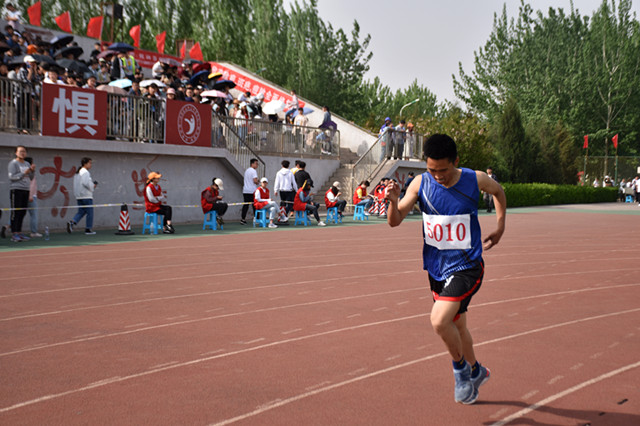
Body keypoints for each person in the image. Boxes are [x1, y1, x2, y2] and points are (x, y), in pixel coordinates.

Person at [385, 133, 506, 405]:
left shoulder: (474, 179)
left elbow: (499, 192)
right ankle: (477, 371)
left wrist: (500, 226)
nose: (437, 175)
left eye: (443, 169)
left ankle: (461, 370)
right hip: (437, 269)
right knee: (457, 326)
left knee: (439, 321)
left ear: (456, 162)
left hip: (467, 266)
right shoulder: (420, 183)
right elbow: (395, 221)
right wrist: (393, 201)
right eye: (431, 169)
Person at [7, 145, 34, 242]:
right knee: (16, 212)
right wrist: (23, 173)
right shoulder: (13, 163)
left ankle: (19, 232)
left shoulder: (27, 163)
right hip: (16, 190)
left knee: (23, 212)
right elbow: (12, 177)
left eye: (24, 151)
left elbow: (30, 177)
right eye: (20, 151)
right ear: (16, 153)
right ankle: (14, 234)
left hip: (25, 190)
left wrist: (32, 171)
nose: (23, 153)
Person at [67, 157, 98, 235]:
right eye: (90, 163)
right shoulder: (85, 172)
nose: (91, 165)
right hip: (86, 195)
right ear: (85, 164)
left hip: (79, 195)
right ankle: (88, 228)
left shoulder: (78, 173)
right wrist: (93, 186)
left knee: (81, 211)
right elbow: (86, 183)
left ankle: (73, 222)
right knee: (90, 213)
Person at [24, 156, 41, 237]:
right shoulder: (30, 172)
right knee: (33, 215)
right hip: (31, 196)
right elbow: (32, 185)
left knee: (18, 213)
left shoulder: (23, 171)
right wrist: (30, 196)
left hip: (22, 195)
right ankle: (33, 232)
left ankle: (7, 226)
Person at [241, 158, 259, 225]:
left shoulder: (247, 171)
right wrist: (258, 182)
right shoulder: (253, 171)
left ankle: (243, 219)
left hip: (245, 190)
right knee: (255, 205)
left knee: (245, 205)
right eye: (256, 164)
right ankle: (256, 219)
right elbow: (255, 181)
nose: (257, 165)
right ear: (252, 164)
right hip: (252, 191)